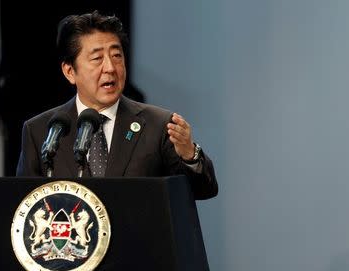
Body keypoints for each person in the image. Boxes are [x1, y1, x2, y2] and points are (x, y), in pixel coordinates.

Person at [16, 11, 218, 200]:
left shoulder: (158, 125)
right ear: (69, 71)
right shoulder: (42, 130)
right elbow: (23, 205)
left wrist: (189, 154)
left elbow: (203, 190)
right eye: (97, 58)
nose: (110, 68)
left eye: (117, 56)